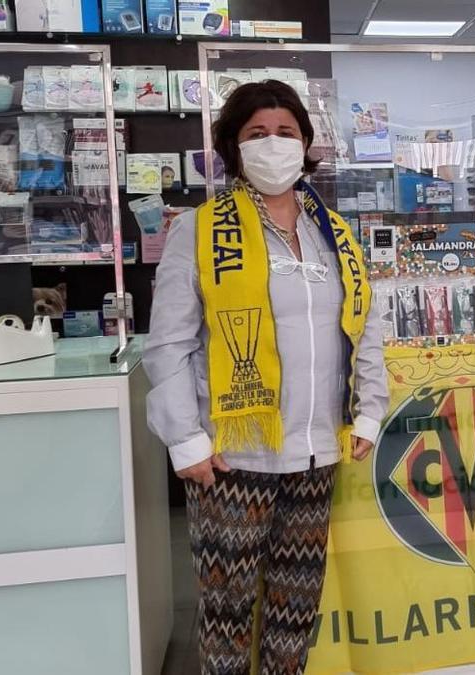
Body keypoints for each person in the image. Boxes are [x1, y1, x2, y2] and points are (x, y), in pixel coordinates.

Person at [144, 80, 388, 675]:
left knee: (295, 609)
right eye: (257, 134)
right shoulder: (199, 231)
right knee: (226, 615)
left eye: (286, 133)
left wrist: (369, 411)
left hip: (314, 453)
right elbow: (169, 344)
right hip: (233, 457)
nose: (273, 144)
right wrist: (186, 440)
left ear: (306, 144)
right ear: (233, 147)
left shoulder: (333, 234)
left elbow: (364, 326)